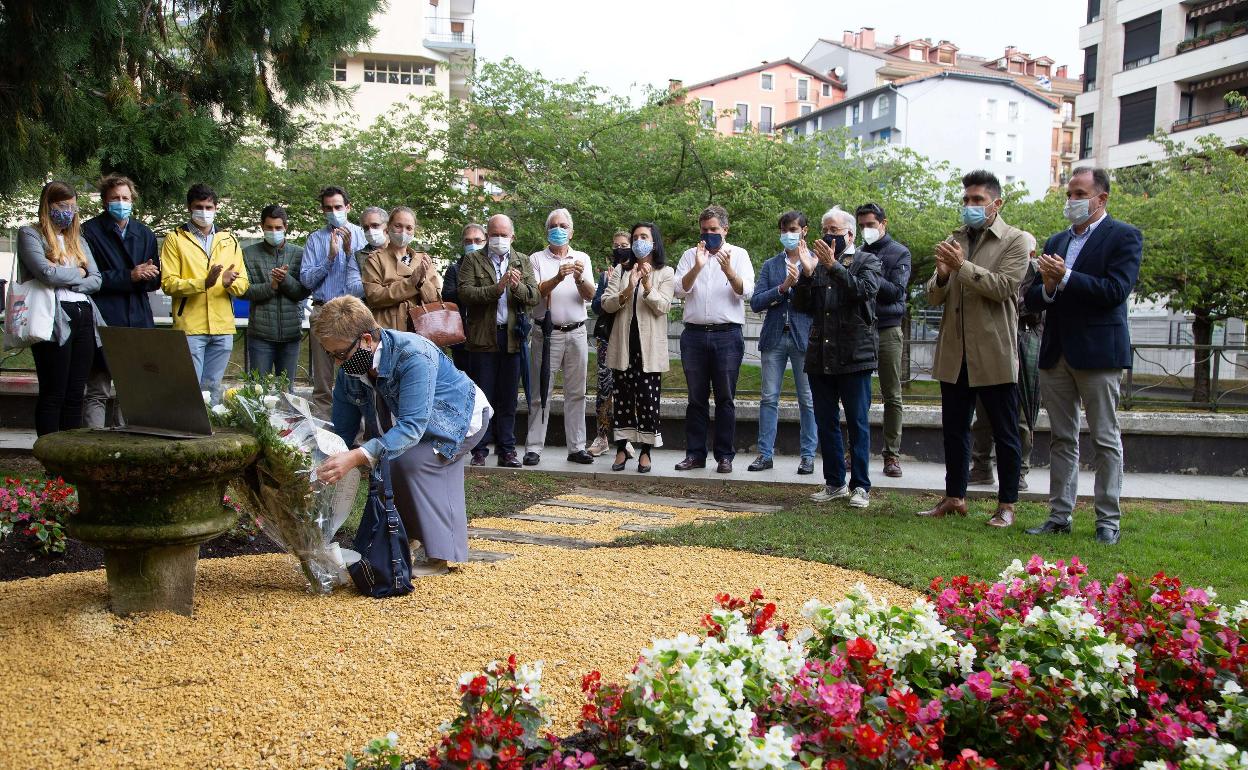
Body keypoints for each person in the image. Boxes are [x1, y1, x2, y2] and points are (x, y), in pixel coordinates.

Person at [313, 296, 491, 577]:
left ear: (367, 340)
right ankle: (403, 535)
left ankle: (442, 554)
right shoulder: (352, 368)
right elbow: (341, 432)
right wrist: (325, 460)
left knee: (411, 462)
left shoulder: (413, 354)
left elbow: (410, 427)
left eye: (340, 354)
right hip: (415, 429)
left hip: (458, 420)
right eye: (330, 355)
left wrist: (359, 456)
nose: (336, 363)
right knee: (387, 460)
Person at [1024, 167, 1142, 546]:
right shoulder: (1057, 240)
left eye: (1079, 193)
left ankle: (1108, 521)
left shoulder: (1123, 236)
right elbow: (1032, 299)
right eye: (1069, 193)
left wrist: (1068, 276)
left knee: (1105, 439)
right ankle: (1060, 516)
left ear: (1101, 199)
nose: (1071, 200)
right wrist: (1049, 286)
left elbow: (1115, 291)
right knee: (1062, 438)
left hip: (1098, 353)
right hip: (1056, 351)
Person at [916, 170, 1029, 527]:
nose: (970, 206)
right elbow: (934, 294)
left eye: (977, 200)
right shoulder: (955, 238)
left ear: (997, 203)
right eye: (966, 200)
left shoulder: (1016, 240)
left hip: (993, 351)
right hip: (955, 352)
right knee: (954, 428)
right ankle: (955, 497)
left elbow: (1003, 287)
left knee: (1004, 430)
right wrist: (944, 274)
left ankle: (1007, 504)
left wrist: (960, 266)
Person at [793, 206, 881, 508]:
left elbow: (864, 292)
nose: (830, 236)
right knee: (826, 420)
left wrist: (833, 267)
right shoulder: (816, 264)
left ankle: (860, 486)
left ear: (850, 234)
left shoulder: (868, 260)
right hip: (821, 354)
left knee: (857, 421)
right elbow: (803, 306)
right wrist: (806, 275)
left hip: (855, 354)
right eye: (826, 230)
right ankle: (834, 482)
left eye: (836, 231)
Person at [17, 181, 104, 436]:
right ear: (48, 205)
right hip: (52, 316)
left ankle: (70, 457)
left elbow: (97, 279)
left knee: (76, 392)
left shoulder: (77, 239)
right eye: (62, 205)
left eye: (73, 207)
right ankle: (49, 457)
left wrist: (67, 275)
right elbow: (46, 274)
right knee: (54, 391)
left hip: (84, 315)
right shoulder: (30, 234)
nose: (68, 211)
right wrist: (79, 271)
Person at [673, 205, 755, 473]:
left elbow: (747, 291)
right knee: (696, 398)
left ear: (725, 230)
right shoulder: (689, 255)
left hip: (727, 334)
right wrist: (697, 267)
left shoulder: (739, 255)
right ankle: (695, 454)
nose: (709, 234)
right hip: (695, 334)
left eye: (714, 230)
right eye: (705, 230)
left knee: (725, 398)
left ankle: (724, 456)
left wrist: (729, 270)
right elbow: (679, 290)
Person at [457, 213, 538, 468]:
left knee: (508, 397)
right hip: (483, 338)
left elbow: (534, 296)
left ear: (512, 236)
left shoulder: (522, 261)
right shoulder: (472, 260)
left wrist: (516, 288)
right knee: (483, 396)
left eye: (504, 235)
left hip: (512, 337)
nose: (499, 239)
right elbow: (465, 293)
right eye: (494, 234)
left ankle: (507, 450)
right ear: (487, 235)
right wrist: (497, 288)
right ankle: (479, 450)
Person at [79, 173, 160, 428]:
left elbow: (155, 279)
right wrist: (129, 275)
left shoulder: (144, 233)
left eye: (125, 197)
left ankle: (128, 446)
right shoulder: (88, 231)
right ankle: (94, 448)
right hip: (104, 317)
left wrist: (146, 275)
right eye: (115, 198)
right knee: (98, 388)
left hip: (137, 318)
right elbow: (87, 277)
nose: (121, 202)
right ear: (105, 201)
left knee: (134, 389)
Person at [160, 183, 249, 405]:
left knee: (213, 389)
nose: (204, 211)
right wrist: (203, 283)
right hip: (191, 325)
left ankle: (211, 435)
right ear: (189, 208)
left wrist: (229, 284)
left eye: (209, 206)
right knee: (188, 387)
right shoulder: (175, 239)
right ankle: (187, 433)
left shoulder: (230, 239)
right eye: (199, 206)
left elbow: (243, 284)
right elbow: (168, 283)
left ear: (216, 207)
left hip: (223, 325)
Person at [523, 208, 597, 466]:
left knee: (577, 392)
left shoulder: (582, 258)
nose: (558, 229)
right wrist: (557, 277)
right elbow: (534, 293)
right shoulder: (536, 259)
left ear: (571, 231)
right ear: (547, 231)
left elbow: (590, 295)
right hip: (547, 332)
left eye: (563, 225)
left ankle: (577, 447)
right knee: (540, 391)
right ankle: (533, 447)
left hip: (576, 331)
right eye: (554, 225)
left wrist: (577, 277)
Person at [969, 231, 1042, 490]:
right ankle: (981, 467)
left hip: (1024, 347)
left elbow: (1031, 308)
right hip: (994, 345)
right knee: (983, 413)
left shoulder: (1037, 275)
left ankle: (1019, 470)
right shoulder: (997, 269)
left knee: (1020, 416)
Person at [601, 222, 675, 473]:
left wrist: (646, 286)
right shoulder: (621, 271)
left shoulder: (665, 272)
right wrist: (629, 287)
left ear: (654, 241)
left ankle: (646, 451)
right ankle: (621, 448)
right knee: (622, 399)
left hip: (649, 350)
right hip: (623, 346)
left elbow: (663, 306)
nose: (639, 240)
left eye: (644, 236)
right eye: (635, 237)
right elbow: (606, 304)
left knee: (647, 400)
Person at [747, 211, 817, 475]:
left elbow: (818, 304)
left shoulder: (816, 262)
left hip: (803, 338)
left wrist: (802, 282)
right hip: (774, 337)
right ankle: (765, 454)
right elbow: (755, 302)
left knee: (807, 399)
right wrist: (783, 287)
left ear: (804, 231)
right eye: (784, 230)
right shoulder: (771, 265)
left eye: (793, 229)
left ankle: (808, 456)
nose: (788, 234)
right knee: (768, 398)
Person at [298, 186, 366, 419]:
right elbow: (306, 279)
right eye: (328, 208)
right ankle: (325, 431)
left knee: (358, 376)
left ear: (348, 207)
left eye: (338, 207)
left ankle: (356, 435)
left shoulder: (362, 235)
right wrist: (329, 258)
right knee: (323, 381)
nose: (333, 212)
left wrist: (348, 254)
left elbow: (366, 279)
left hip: (353, 313)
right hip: (323, 310)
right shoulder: (315, 239)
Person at [855, 202, 912, 478]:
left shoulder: (899, 252)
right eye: (862, 225)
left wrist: (872, 273)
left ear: (883, 223)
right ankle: (856, 451)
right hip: (861, 329)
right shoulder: (857, 253)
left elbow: (896, 293)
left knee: (892, 395)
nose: (866, 230)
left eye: (870, 224)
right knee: (858, 395)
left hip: (888, 329)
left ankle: (892, 455)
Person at [241, 204, 310, 386]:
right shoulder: (248, 254)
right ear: (262, 226)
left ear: (285, 227)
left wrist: (285, 280)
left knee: (287, 391)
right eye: (269, 227)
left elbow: (303, 292)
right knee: (257, 390)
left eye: (278, 228)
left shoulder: (299, 254)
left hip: (291, 335)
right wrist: (271, 286)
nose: (274, 231)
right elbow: (244, 291)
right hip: (260, 335)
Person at [588, 231, 633, 457]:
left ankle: (627, 436)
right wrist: (607, 287)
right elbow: (597, 306)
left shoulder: (637, 272)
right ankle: (602, 436)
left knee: (627, 387)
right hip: (607, 338)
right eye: (616, 246)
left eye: (624, 245)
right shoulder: (607, 276)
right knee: (604, 388)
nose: (619, 249)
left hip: (629, 338)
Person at [360, 206, 441, 331]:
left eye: (409, 228)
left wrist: (422, 281)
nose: (403, 232)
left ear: (414, 231)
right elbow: (374, 297)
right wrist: (410, 283)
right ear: (388, 227)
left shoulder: (423, 259)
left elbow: (435, 300)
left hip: (421, 329)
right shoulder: (375, 259)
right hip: (388, 328)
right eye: (398, 226)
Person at [441, 224, 485, 372]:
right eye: (468, 241)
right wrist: (471, 290)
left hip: (489, 336)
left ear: (486, 242)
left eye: (478, 240)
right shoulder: (454, 269)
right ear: (463, 243)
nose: (473, 245)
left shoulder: (493, 268)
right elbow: (448, 298)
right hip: (462, 337)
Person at [355, 206, 390, 271]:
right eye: (366, 228)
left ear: (387, 226)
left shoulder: (402, 251)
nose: (370, 231)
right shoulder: (357, 256)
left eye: (375, 225)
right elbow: (354, 280)